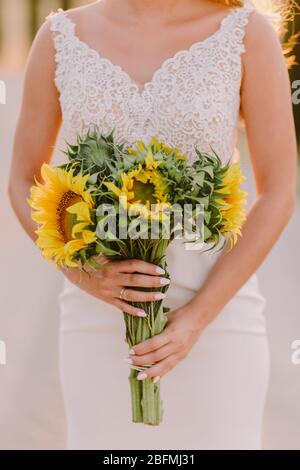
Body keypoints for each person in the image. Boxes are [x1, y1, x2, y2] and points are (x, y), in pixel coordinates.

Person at [9, 0, 297, 450]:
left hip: (219, 318)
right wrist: (85, 276)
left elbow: (279, 190)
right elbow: (23, 179)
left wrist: (195, 322)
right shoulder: (61, 36)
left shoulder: (246, 34)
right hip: (98, 320)